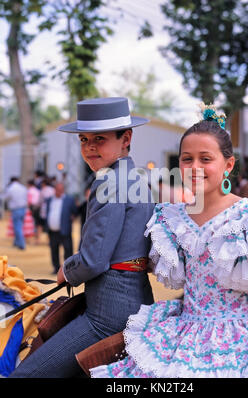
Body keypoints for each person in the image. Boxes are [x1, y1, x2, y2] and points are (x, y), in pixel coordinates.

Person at [90, 103, 248, 378]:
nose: (194, 167)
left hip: (243, 345)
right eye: (186, 159)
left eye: (205, 159)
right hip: (183, 337)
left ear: (228, 164)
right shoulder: (169, 219)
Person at [10, 97, 154, 378]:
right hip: (138, 300)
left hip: (107, 314)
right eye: (83, 139)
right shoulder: (137, 180)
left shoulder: (108, 181)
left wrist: (67, 269)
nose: (89, 147)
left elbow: (93, 259)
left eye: (99, 139)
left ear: (126, 138)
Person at [45, 182, 78, 274]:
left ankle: (68, 270)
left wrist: (72, 217)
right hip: (53, 231)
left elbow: (75, 211)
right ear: (55, 190)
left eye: (61, 190)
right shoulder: (49, 200)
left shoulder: (69, 200)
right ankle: (56, 268)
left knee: (68, 250)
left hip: (65, 229)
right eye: (58, 190)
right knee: (54, 250)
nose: (60, 192)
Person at [4, 177, 28, 250]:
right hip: (23, 208)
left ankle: (21, 244)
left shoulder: (11, 188)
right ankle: (17, 242)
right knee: (20, 226)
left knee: (17, 227)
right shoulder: (23, 187)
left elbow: (6, 198)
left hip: (16, 209)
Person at [27, 179, 41, 244]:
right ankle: (37, 238)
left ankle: (31, 238)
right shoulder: (37, 190)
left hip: (32, 207)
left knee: (30, 223)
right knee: (37, 223)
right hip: (38, 207)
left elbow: (29, 201)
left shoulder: (29, 191)